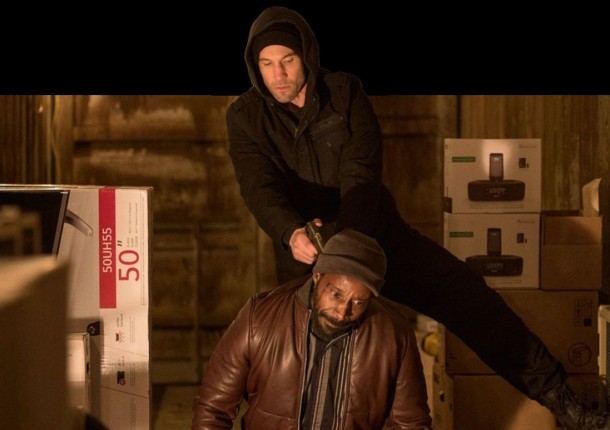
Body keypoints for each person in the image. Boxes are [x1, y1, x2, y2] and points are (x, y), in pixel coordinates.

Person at [225, 5, 609, 429]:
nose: (278, 74)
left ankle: (564, 402)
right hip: (308, 254)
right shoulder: (245, 116)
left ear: (307, 57)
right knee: (301, 356)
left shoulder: (345, 93)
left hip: (376, 235)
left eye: (287, 60)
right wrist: (289, 231)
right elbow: (258, 186)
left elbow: (360, 174)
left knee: (470, 299)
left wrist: (348, 247)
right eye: (266, 64)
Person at [192, 229, 433, 429]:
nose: (342, 311)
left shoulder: (393, 333)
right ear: (317, 276)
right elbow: (213, 411)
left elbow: (411, 423)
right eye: (336, 294)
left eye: (359, 302)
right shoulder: (260, 319)